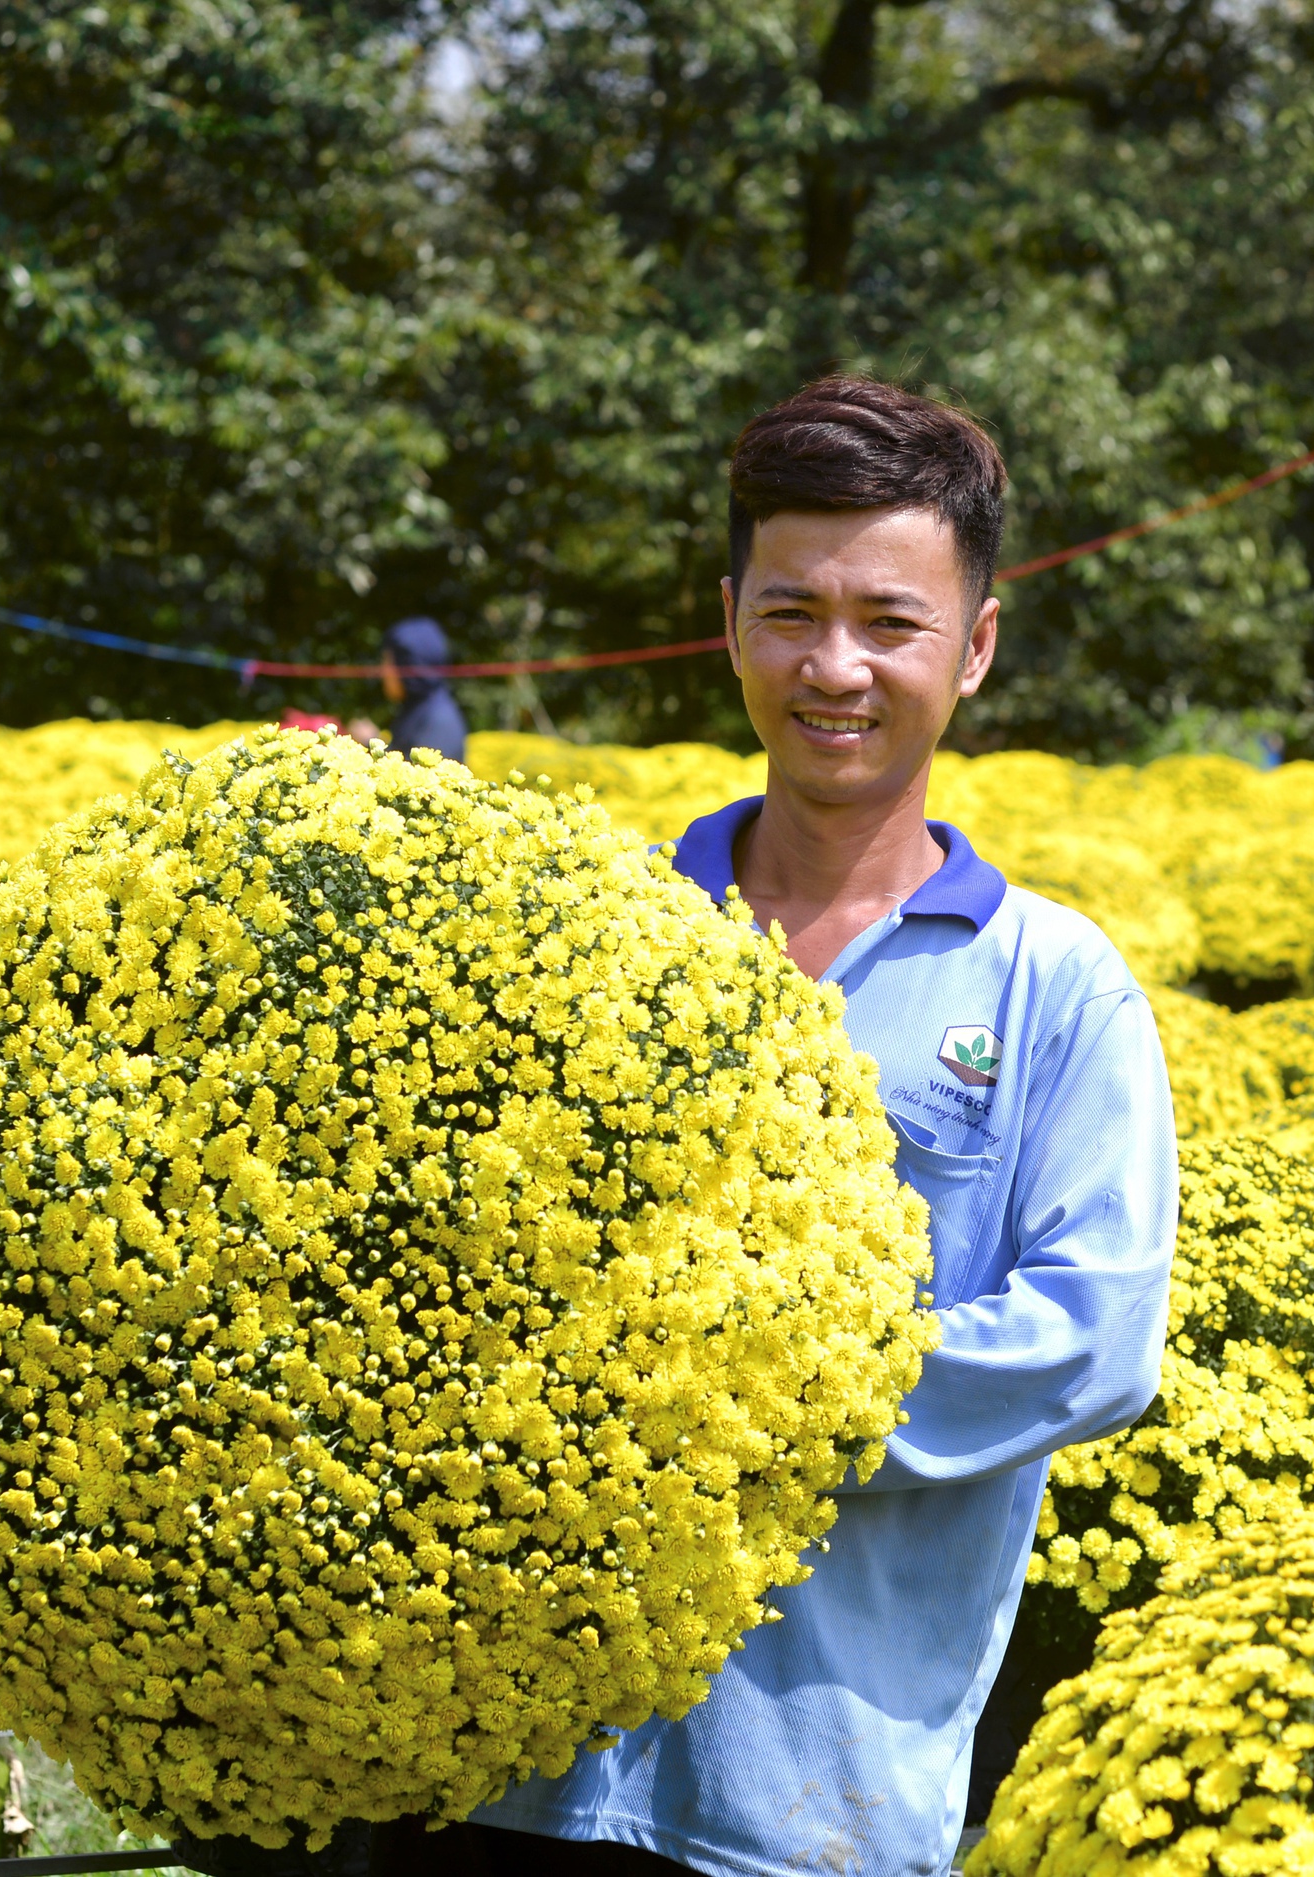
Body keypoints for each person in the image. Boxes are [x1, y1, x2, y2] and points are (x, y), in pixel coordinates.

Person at [426, 377, 1179, 1875]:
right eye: (792, 613)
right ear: (729, 625)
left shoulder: (1051, 985)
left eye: (890, 622)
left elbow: (1095, 1338)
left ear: (974, 647)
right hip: (504, 1767)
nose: (836, 667)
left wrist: (727, 1408)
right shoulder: (589, 938)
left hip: (812, 1800)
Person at [376, 615, 467, 762]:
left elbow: (418, 774)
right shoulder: (418, 709)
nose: (382, 672)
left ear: (407, 665)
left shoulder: (439, 722)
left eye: (386, 662)